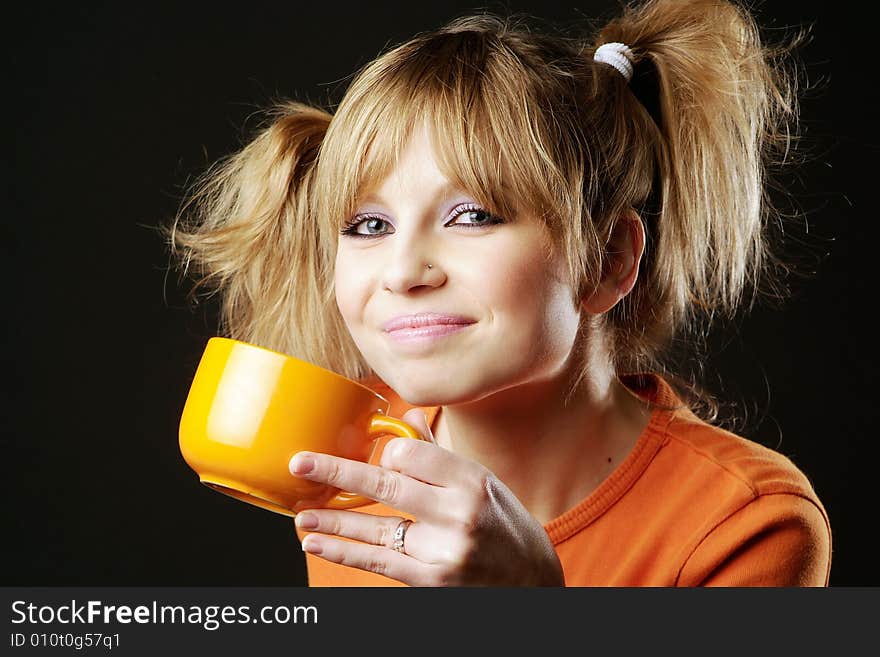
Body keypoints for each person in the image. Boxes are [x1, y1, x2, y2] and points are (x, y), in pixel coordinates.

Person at [167, 0, 831, 586]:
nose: (403, 272)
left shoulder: (747, 524)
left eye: (473, 215)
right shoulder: (343, 461)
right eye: (369, 225)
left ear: (608, 259)